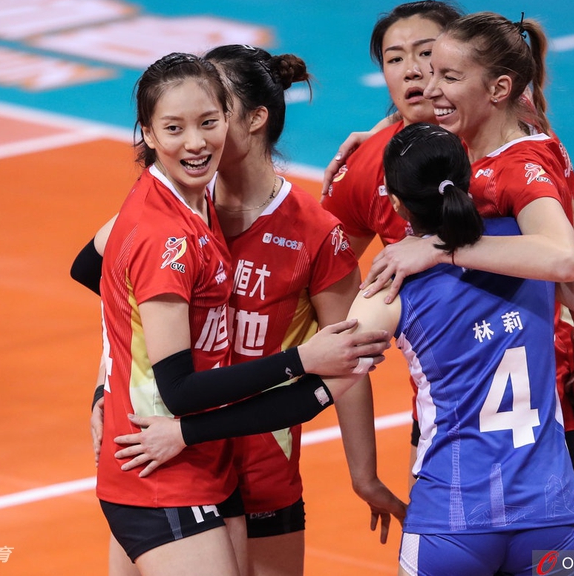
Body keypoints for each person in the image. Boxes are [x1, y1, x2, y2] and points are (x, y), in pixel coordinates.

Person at [320, 2, 574, 552]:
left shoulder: (518, 146)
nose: (418, 73)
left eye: (430, 57)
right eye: (396, 58)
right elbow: (326, 276)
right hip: (454, 412)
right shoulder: (374, 164)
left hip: (552, 395)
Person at [90, 51, 390, 576]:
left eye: (211, 115)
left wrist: (363, 474)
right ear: (150, 133)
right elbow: (114, 289)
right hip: (165, 453)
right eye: (177, 124)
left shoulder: (306, 230)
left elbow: (347, 358)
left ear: (247, 118)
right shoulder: (180, 211)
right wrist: (105, 387)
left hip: (256, 460)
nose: (197, 137)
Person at [348, 122, 574, 575]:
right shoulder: (535, 252)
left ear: (394, 201)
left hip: (451, 520)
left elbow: (340, 368)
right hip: (550, 517)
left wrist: (365, 477)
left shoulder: (394, 277)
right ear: (468, 181)